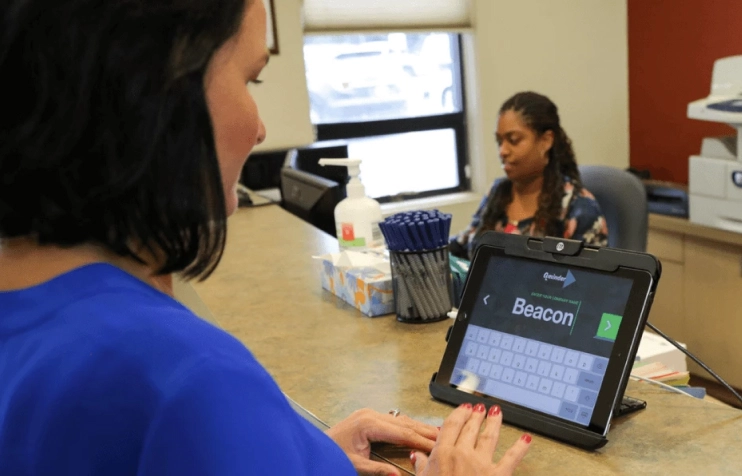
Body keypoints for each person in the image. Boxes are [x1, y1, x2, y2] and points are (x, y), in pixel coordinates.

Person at [0, 0, 530, 474]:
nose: (260, 128)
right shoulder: (191, 379)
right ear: (160, 89)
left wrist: (298, 451)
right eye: (251, 80)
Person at [450, 91, 608, 260]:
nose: (502, 151)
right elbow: (463, 244)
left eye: (514, 140)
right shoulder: (498, 192)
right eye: (499, 141)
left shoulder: (579, 209)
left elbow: (587, 282)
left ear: (546, 141)